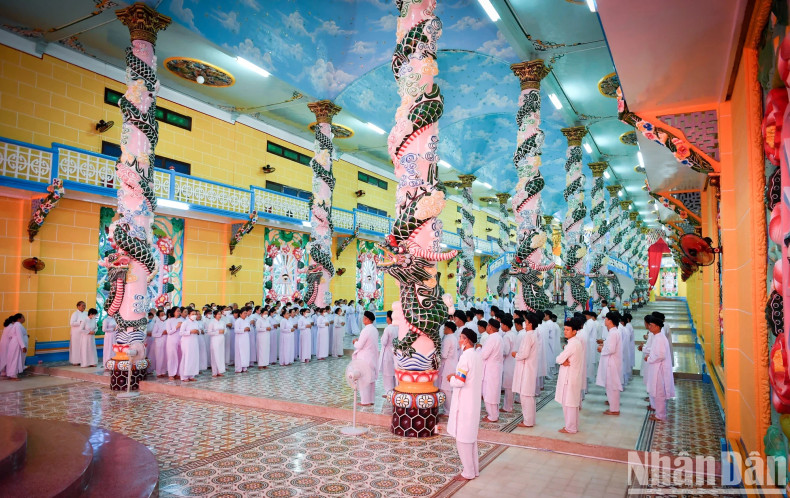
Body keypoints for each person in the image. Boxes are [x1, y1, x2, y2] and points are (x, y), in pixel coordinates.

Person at [447, 328, 483, 481]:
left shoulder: (465, 357)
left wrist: (451, 379)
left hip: (465, 403)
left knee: (463, 439)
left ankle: (468, 472)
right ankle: (474, 470)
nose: (459, 341)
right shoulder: (476, 355)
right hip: (473, 401)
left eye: (461, 338)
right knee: (471, 438)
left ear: (467, 340)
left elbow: (460, 381)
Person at [555, 317, 585, 434]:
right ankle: (571, 426)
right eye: (565, 329)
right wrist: (563, 360)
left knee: (570, 404)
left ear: (574, 331)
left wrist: (562, 360)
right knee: (570, 403)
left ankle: (571, 427)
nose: (565, 332)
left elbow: (559, 358)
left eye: (568, 330)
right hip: (571, 377)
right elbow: (562, 359)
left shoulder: (573, 344)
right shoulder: (574, 342)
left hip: (570, 377)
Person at [512, 313, 540, 427]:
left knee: (525, 396)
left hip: (526, 369)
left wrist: (516, 354)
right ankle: (530, 420)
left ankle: (528, 421)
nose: (524, 323)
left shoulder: (529, 336)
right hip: (528, 368)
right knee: (528, 396)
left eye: (526, 321)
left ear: (530, 324)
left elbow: (524, 354)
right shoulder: (532, 335)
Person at [645, 315, 675, 421]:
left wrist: (649, 358)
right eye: (649, 325)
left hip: (660, 369)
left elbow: (660, 355)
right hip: (656, 367)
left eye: (651, 325)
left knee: (659, 393)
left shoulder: (660, 338)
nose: (649, 327)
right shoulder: (657, 337)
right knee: (657, 392)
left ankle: (661, 415)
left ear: (657, 326)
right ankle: (658, 413)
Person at [596, 311, 623, 415]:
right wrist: (603, 347)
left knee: (613, 386)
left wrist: (601, 349)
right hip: (611, 362)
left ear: (610, 321)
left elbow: (611, 349)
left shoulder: (613, 333)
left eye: (606, 319)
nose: (605, 321)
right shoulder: (612, 332)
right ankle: (613, 407)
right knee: (610, 385)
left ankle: (615, 409)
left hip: (612, 363)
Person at [352, 311, 379, 406]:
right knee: (371, 379)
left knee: (363, 379)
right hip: (372, 357)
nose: (363, 320)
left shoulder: (365, 330)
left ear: (367, 319)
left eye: (364, 318)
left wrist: (355, 342)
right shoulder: (374, 330)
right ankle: (371, 400)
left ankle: (365, 401)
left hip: (364, 358)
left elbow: (359, 345)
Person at [480, 318, 504, 423]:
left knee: (489, 393)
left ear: (490, 327)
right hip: (495, 368)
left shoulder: (492, 338)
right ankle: (494, 414)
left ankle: (492, 416)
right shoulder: (498, 337)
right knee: (493, 392)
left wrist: (478, 349)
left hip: (491, 369)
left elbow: (484, 355)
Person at [438, 321, 459, 416]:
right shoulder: (454, 338)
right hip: (452, 364)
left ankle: (448, 411)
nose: (443, 329)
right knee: (449, 389)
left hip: (447, 365)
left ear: (449, 329)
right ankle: (449, 409)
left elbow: (444, 354)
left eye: (445, 328)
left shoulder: (447, 339)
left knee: (446, 389)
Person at [500, 316, 518, 413]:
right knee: (511, 386)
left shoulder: (507, 336)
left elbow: (505, 351)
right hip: (514, 362)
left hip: (508, 362)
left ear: (506, 325)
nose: (501, 327)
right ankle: (509, 405)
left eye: (502, 325)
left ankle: (507, 407)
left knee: (508, 386)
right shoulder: (514, 334)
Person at [377, 311, 398, 391]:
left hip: (388, 352)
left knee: (387, 374)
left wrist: (382, 338)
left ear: (389, 318)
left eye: (386, 317)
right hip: (396, 352)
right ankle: (395, 389)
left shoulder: (388, 328)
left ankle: (389, 392)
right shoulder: (398, 327)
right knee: (394, 372)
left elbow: (384, 342)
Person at [2, 314, 27, 380]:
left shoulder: (15, 325)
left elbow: (11, 335)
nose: (24, 319)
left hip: (15, 343)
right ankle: (13, 375)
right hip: (16, 344)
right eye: (23, 317)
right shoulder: (18, 325)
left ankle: (11, 374)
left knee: (13, 358)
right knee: (14, 359)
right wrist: (23, 346)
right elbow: (19, 336)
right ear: (19, 319)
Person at [179, 309, 200, 382]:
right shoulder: (185, 323)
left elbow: (199, 330)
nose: (194, 316)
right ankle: (184, 376)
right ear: (188, 315)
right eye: (192, 314)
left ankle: (191, 375)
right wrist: (190, 331)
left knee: (194, 358)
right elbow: (181, 333)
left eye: (195, 314)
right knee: (186, 358)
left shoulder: (196, 322)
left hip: (194, 342)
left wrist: (197, 331)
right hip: (186, 342)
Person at [165, 307, 183, 380]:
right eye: (177, 311)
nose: (179, 312)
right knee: (172, 357)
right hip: (172, 341)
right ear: (173, 312)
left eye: (179, 311)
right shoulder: (169, 321)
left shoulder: (181, 320)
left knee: (180, 356)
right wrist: (177, 327)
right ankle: (171, 374)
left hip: (180, 340)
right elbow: (169, 332)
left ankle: (178, 373)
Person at [207, 309, 226, 377]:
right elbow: (209, 332)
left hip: (221, 340)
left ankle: (219, 371)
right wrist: (218, 332)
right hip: (215, 340)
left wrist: (223, 332)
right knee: (215, 355)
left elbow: (225, 330)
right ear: (214, 315)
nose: (219, 315)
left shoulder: (223, 322)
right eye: (218, 314)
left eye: (220, 314)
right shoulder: (212, 322)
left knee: (221, 355)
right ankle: (214, 372)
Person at [69, 301, 87, 366]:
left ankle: (83, 360)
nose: (84, 307)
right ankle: (75, 361)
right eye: (82, 306)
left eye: (84, 306)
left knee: (83, 347)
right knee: (76, 347)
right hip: (76, 334)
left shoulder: (86, 313)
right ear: (78, 306)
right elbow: (71, 323)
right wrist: (80, 322)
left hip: (83, 333)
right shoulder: (75, 314)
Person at [151, 310, 168, 377]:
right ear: (159, 316)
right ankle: (158, 372)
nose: (163, 315)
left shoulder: (167, 322)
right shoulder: (157, 324)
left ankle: (163, 371)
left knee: (165, 357)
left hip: (166, 341)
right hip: (159, 342)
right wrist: (161, 333)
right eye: (162, 314)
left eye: (164, 314)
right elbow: (153, 334)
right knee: (159, 357)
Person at [234, 307, 251, 373]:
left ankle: (244, 368)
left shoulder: (247, 320)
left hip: (246, 339)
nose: (246, 314)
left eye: (246, 313)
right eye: (244, 313)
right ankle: (238, 368)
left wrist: (248, 329)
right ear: (240, 314)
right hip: (240, 339)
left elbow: (250, 328)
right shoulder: (238, 321)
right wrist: (244, 329)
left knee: (245, 353)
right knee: (240, 354)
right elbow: (236, 330)